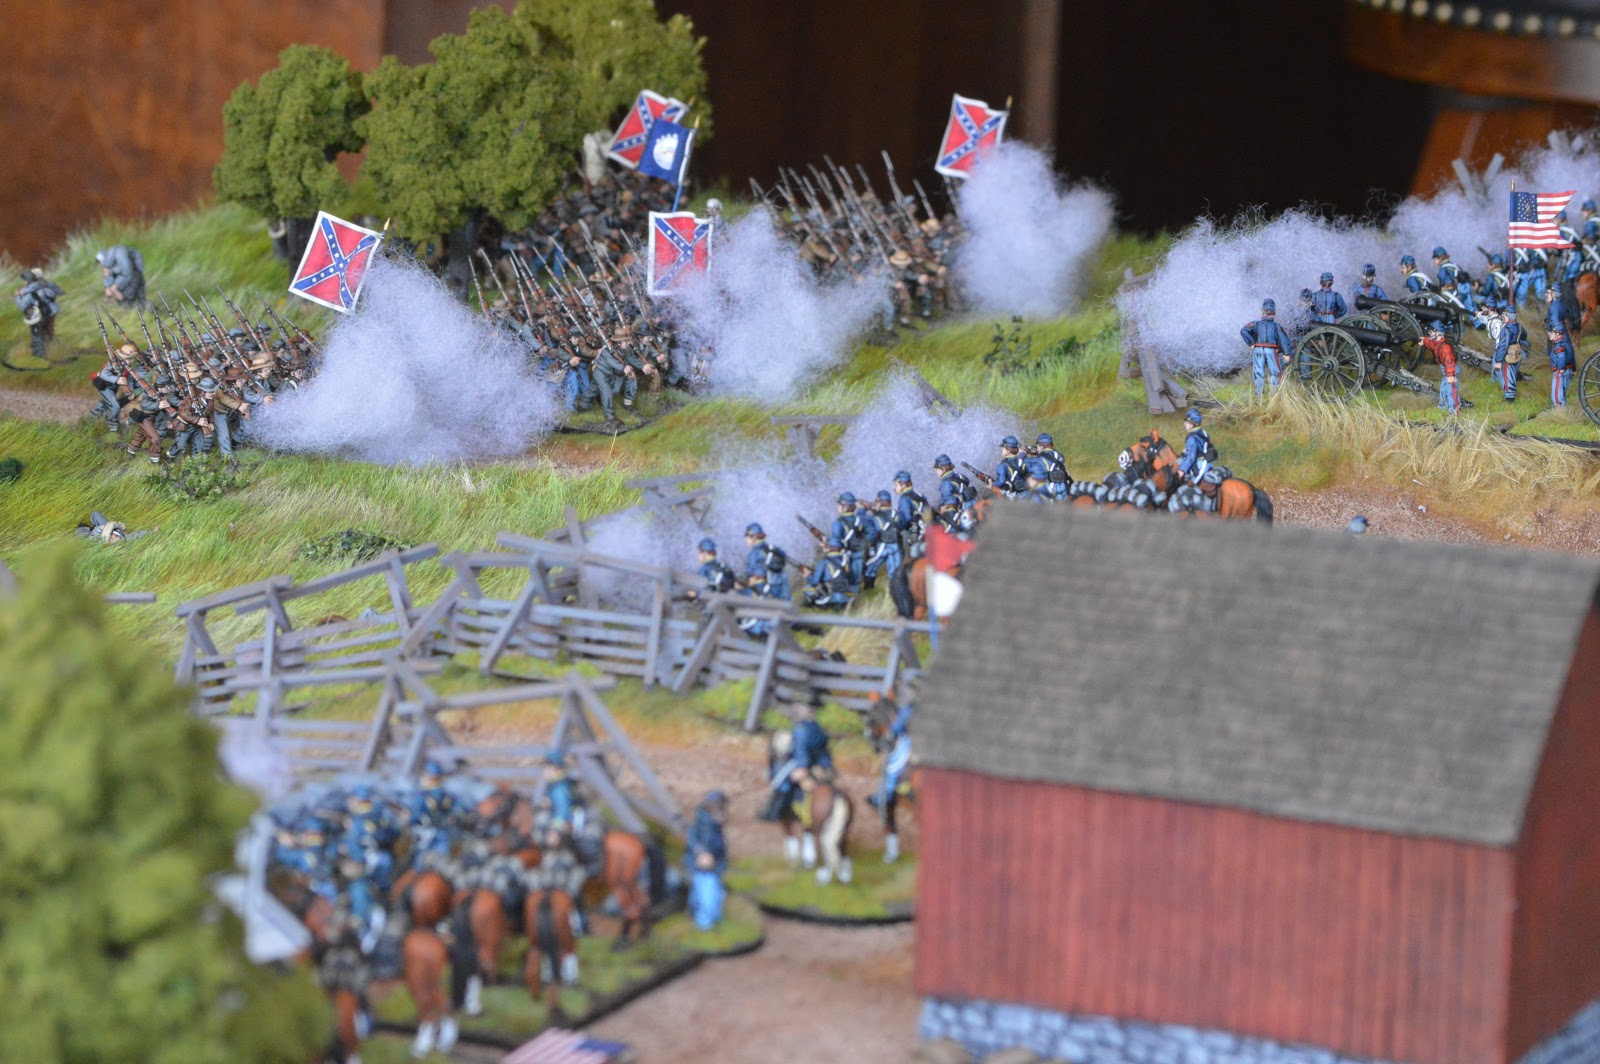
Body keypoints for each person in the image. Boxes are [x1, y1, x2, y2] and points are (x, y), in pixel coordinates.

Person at [759, 702, 834, 823]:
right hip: (821, 763)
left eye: (800, 707)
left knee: (780, 778)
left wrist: (801, 767)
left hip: (809, 763)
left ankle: (775, 811)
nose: (795, 710)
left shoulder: (802, 730)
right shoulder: (815, 727)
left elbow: (801, 751)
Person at [868, 700, 915, 863]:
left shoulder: (907, 712)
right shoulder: (906, 712)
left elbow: (898, 729)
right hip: (907, 743)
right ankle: (892, 848)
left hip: (910, 746)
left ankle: (887, 795)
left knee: (894, 767)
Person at [685, 791, 729, 930]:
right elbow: (694, 838)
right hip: (703, 863)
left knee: (716, 891)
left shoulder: (716, 821)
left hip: (716, 862)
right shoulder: (704, 821)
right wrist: (701, 853)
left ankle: (712, 914)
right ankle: (703, 920)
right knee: (705, 892)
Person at [408, 760, 458, 870]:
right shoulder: (425, 794)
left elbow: (414, 816)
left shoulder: (426, 795)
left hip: (433, 833)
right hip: (427, 832)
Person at [1239, 298, 1293, 397]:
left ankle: (1259, 395)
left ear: (1262, 311)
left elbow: (1244, 331)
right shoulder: (1276, 326)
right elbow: (1284, 340)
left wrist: (1251, 343)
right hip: (1271, 351)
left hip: (1259, 350)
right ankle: (1274, 395)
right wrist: (1287, 353)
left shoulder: (1256, 324)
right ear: (1274, 312)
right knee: (1274, 373)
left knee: (1258, 372)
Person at [15, 269, 63, 361]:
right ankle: (48, 351)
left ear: (27, 281)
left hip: (37, 316)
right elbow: (53, 294)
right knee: (47, 333)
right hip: (47, 313)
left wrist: (17, 296)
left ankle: (39, 356)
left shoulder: (28, 293)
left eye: (24, 280)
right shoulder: (44, 286)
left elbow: (22, 306)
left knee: (37, 335)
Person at [828, 492, 868, 592]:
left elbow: (835, 542)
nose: (837, 507)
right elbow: (861, 513)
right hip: (859, 554)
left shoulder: (837, 523)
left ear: (845, 507)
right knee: (855, 580)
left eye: (839, 504)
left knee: (845, 579)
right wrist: (862, 508)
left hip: (845, 556)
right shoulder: (859, 519)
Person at [801, 537, 853, 611]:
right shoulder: (846, 560)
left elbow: (815, 581)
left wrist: (808, 576)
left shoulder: (824, 562)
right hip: (844, 589)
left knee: (806, 588)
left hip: (832, 591)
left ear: (830, 548)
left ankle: (821, 602)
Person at [1420, 321, 1460, 415]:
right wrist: (1424, 340)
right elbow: (1431, 343)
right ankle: (1443, 406)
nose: (1430, 334)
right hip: (1446, 371)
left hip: (1451, 371)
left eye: (1431, 332)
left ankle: (1455, 410)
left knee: (1451, 391)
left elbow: (1449, 362)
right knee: (1443, 389)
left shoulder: (1445, 348)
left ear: (1437, 333)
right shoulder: (1437, 343)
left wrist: (1451, 375)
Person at [863, 491, 902, 587]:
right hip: (895, 544)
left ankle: (869, 587)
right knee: (895, 569)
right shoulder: (896, 514)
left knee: (871, 566)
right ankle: (895, 588)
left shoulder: (875, 517)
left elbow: (873, 532)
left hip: (882, 544)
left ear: (879, 503)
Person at [1491, 307, 1528, 401]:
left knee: (1507, 376)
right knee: (1512, 374)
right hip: (1517, 354)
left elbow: (1503, 346)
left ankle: (1510, 397)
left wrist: (1498, 361)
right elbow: (1524, 336)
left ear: (1509, 316)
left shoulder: (1506, 329)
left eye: (1504, 315)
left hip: (1508, 356)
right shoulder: (1519, 327)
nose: (1503, 316)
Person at [892, 471, 928, 557]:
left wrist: (898, 528)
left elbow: (907, 519)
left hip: (914, 532)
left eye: (896, 484)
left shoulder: (904, 499)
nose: (894, 487)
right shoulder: (920, 496)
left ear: (903, 485)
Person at [1177, 409, 1214, 482]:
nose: (1184, 424)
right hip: (1208, 463)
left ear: (1191, 425)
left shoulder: (1192, 438)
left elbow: (1190, 457)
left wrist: (1182, 470)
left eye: (1186, 422)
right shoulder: (1203, 432)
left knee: (1192, 486)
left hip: (1199, 466)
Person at [1029, 433, 1070, 499]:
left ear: (1041, 446)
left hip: (1050, 488)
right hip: (1063, 487)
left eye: (1037, 444)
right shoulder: (1059, 455)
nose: (1036, 447)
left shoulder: (1041, 459)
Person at [1549, 326, 1575, 408]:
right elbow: (1572, 357)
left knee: (1557, 390)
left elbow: (1561, 357)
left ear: (1558, 334)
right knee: (1563, 389)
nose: (1549, 334)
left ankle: (1558, 407)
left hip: (1560, 371)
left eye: (1552, 332)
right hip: (1569, 369)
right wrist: (1573, 369)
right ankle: (1563, 406)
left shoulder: (1558, 345)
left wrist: (1561, 368)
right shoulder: (1567, 344)